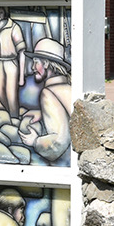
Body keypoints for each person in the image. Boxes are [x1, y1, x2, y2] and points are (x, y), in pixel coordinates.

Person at [18, 37, 72, 166]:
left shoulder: (48, 93)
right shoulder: (65, 88)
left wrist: (35, 141)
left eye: (36, 61)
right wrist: (42, 112)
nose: (32, 67)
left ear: (46, 64)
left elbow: (59, 142)